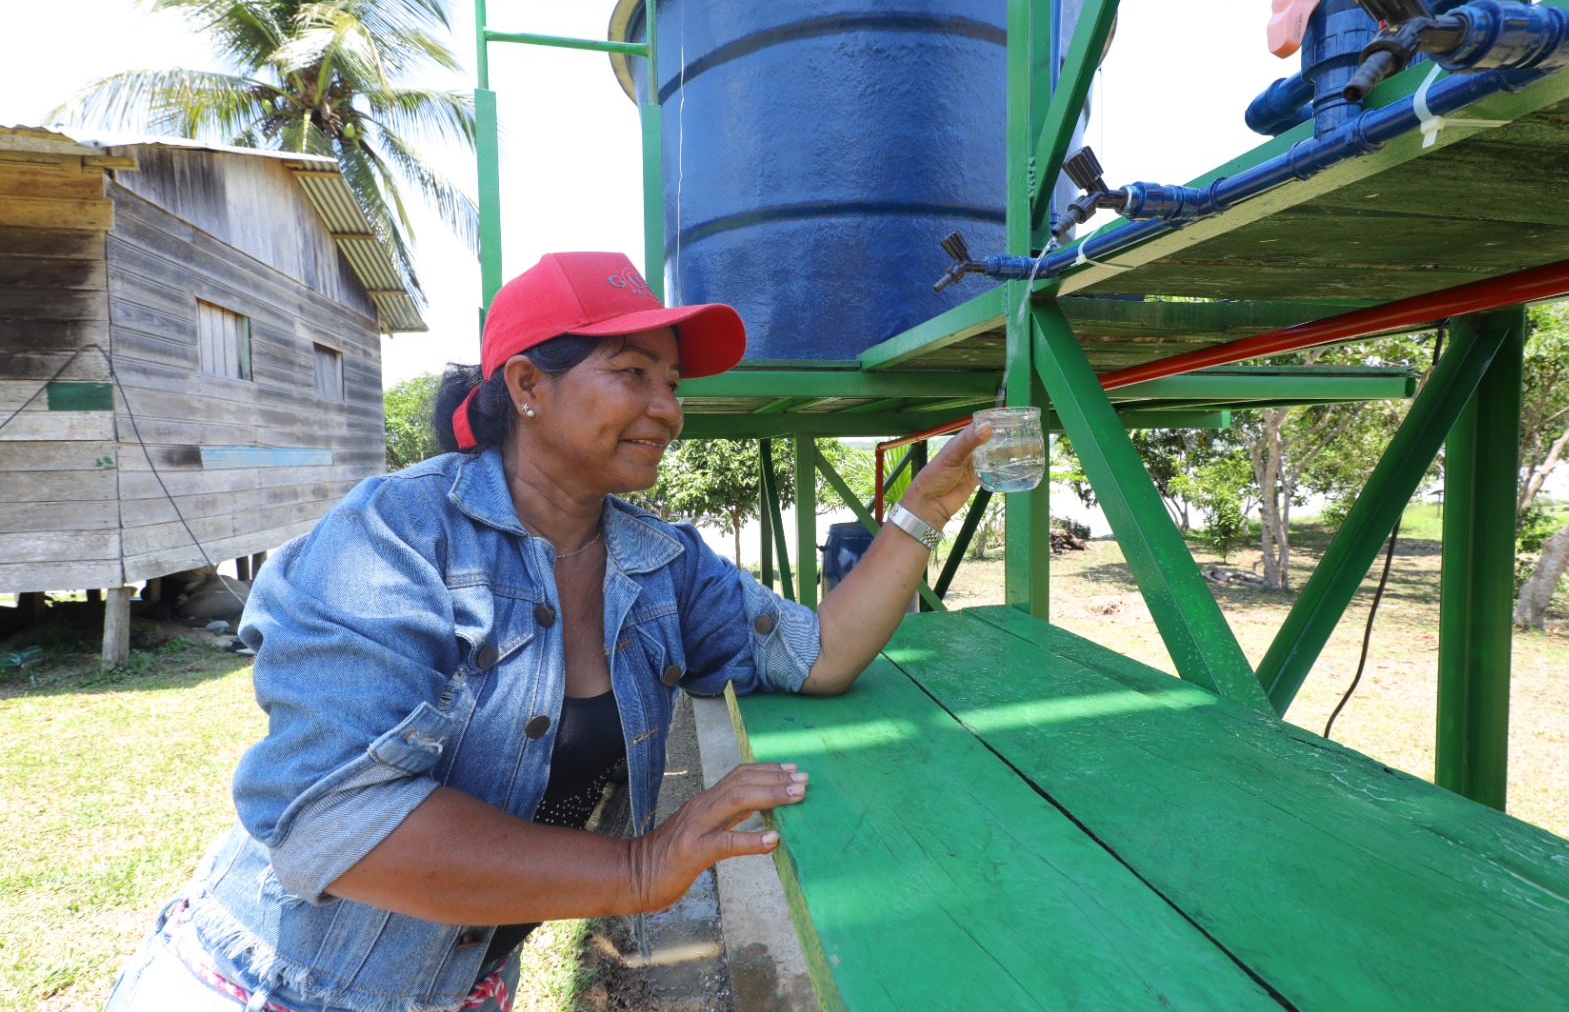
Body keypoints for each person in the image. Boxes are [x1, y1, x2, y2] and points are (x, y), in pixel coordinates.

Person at [104, 252, 989, 1012]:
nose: (668, 408)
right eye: (632, 373)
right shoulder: (396, 534)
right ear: (528, 385)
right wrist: (638, 870)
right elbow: (337, 820)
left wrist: (918, 513)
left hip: (467, 984)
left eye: (673, 383)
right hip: (279, 981)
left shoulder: (662, 563)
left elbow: (820, 655)